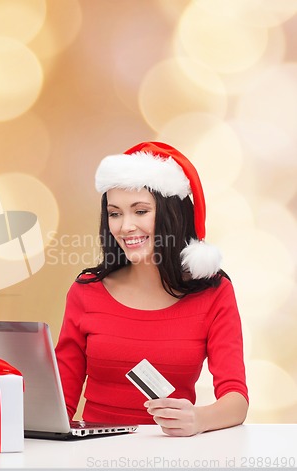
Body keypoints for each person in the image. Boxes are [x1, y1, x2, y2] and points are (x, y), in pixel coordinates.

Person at [55, 141, 249, 437]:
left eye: (140, 211)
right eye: (115, 213)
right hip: (92, 455)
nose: (125, 226)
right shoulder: (86, 292)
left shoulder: (214, 292)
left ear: (173, 215)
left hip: (171, 455)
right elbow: (60, 402)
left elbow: (236, 400)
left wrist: (199, 419)